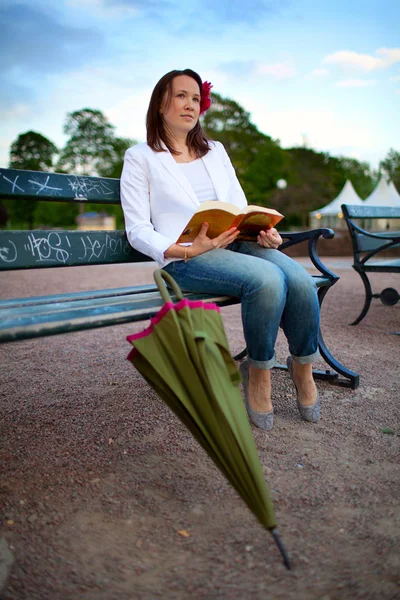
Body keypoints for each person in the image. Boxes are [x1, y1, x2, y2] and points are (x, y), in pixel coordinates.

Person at [120, 68, 320, 431]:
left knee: (301, 280)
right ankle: (259, 371)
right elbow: (136, 229)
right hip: (185, 258)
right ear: (160, 103)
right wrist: (185, 250)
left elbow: (239, 206)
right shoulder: (140, 157)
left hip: (236, 244)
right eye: (181, 95)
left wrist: (263, 232)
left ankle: (302, 366)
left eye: (196, 98)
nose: (190, 104)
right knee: (268, 280)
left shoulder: (216, 151)